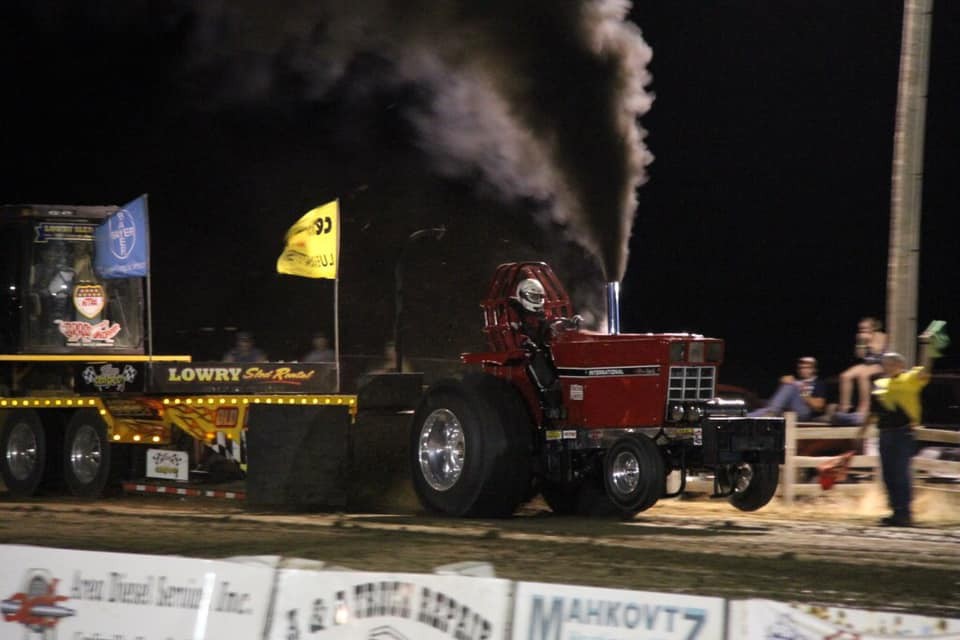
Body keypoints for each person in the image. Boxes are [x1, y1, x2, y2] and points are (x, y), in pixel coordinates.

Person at [748, 356, 827, 421]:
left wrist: (803, 392)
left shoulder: (819, 383)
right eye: (801, 368)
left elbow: (819, 407)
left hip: (805, 413)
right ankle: (744, 418)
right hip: (787, 410)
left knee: (790, 386)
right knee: (764, 410)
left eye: (807, 368)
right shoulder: (795, 381)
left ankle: (771, 412)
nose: (803, 370)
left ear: (814, 369)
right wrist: (782, 382)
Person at [837, 317, 887, 418]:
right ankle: (844, 407)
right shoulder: (861, 337)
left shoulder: (882, 336)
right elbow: (860, 355)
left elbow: (878, 351)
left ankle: (864, 407)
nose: (862, 331)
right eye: (861, 328)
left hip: (881, 364)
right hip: (867, 363)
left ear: (872, 328)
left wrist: (870, 343)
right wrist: (861, 343)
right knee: (845, 376)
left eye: (865, 328)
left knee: (863, 376)